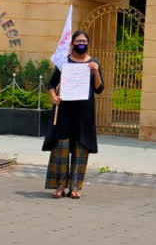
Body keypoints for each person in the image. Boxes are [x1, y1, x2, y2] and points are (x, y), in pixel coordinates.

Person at [42, 30, 104, 199]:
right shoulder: (64, 63)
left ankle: (75, 188)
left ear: (88, 43)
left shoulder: (93, 63)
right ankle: (59, 187)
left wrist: (96, 71)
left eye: (84, 41)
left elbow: (99, 89)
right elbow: (51, 84)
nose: (81, 43)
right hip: (64, 113)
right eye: (78, 41)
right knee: (61, 150)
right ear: (72, 44)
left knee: (80, 149)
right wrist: (54, 97)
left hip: (84, 115)